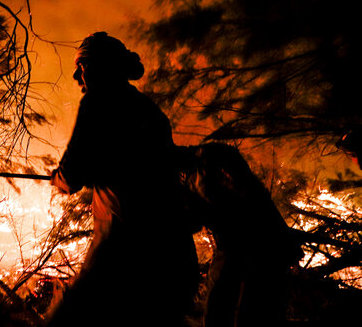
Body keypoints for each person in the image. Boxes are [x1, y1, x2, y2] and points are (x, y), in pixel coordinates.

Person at [47, 32, 199, 326]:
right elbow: (138, 164)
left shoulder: (98, 103)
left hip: (122, 248)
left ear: (102, 66)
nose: (78, 76)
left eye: (83, 66)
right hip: (172, 249)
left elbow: (72, 175)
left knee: (67, 320)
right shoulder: (149, 111)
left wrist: (58, 178)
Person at [178, 143, 301, 327]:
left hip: (259, 242)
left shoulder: (209, 158)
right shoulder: (183, 175)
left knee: (250, 312)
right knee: (219, 309)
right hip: (232, 242)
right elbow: (194, 217)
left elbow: (250, 195)